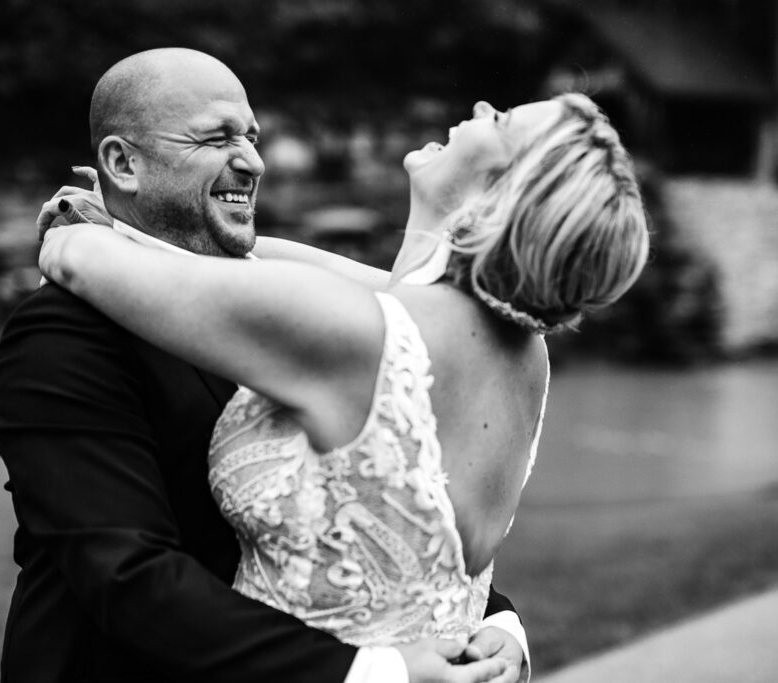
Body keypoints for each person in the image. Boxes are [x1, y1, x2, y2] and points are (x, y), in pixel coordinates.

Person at [36, 48, 650, 680]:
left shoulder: (358, 331)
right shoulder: (523, 353)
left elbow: (81, 260)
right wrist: (499, 626)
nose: (481, 107)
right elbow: (421, 547)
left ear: (499, 193)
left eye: (501, 123)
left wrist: (76, 231)